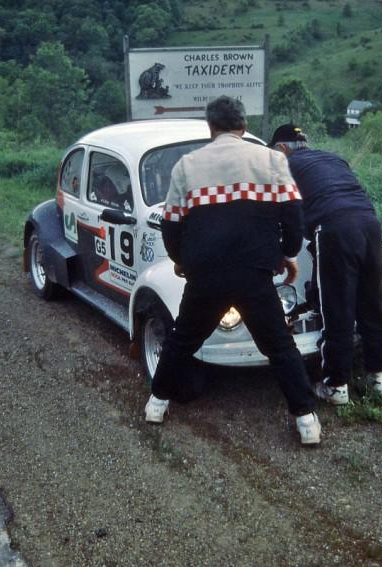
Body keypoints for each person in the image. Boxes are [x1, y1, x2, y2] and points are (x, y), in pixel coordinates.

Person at [144, 96, 321, 445]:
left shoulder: (186, 166)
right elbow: (293, 214)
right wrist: (286, 253)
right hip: (254, 272)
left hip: (205, 273)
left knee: (182, 339)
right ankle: (306, 422)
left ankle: (155, 404)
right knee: (280, 346)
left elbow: (171, 223)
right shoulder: (271, 159)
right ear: (243, 125)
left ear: (211, 128)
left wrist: (180, 258)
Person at [269, 123, 382, 405]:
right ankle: (379, 377)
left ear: (282, 149)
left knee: (337, 306)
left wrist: (283, 249)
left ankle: (335, 385)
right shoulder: (333, 158)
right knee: (374, 300)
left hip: (335, 228)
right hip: (369, 224)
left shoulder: (284, 166)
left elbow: (285, 212)